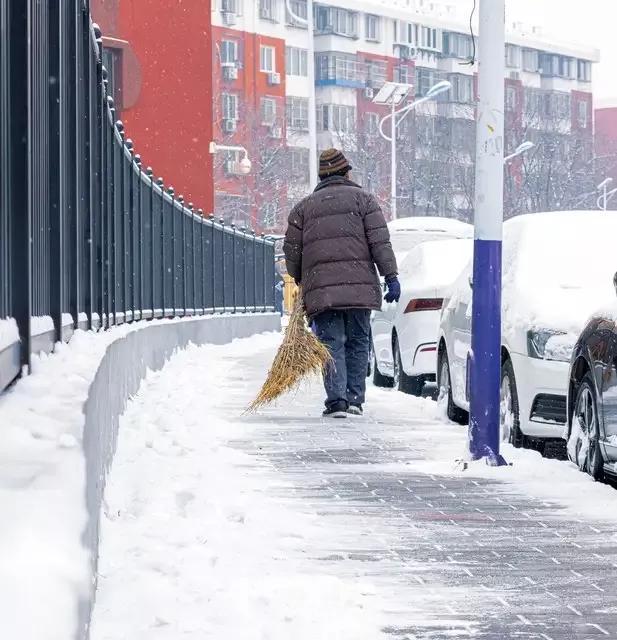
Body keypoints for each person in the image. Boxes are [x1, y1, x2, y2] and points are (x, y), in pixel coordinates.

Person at [284, 148, 400, 418]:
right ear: (346, 172)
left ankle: (336, 401)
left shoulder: (304, 208)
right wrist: (391, 276)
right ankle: (355, 399)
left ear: (322, 175)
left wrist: (303, 279)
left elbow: (292, 251)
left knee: (330, 343)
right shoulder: (365, 201)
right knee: (358, 341)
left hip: (322, 291)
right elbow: (379, 242)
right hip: (359, 288)